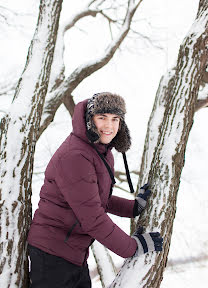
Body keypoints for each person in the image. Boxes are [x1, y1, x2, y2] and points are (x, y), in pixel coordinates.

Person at [27, 92, 163, 288]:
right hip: (52, 255)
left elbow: (94, 200)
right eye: (102, 118)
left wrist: (133, 208)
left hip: (74, 254)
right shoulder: (75, 156)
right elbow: (93, 218)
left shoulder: (100, 151)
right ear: (90, 120)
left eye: (115, 119)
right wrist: (133, 247)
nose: (109, 126)